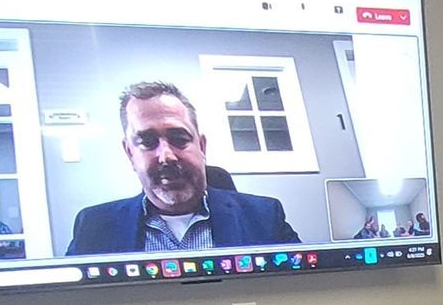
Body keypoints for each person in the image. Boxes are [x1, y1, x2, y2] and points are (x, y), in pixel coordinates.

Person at [66, 81, 301, 256]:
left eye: (179, 138)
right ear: (130, 153)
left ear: (201, 146)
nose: (166, 156)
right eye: (147, 142)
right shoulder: (94, 226)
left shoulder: (265, 216)